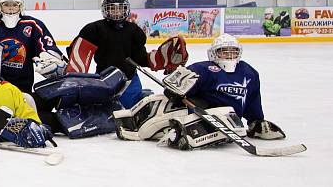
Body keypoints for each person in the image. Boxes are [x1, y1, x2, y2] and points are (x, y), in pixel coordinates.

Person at [115, 34, 288, 150]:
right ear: (213, 54)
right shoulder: (204, 68)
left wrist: (255, 120)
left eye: (232, 52)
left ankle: (181, 135)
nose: (228, 56)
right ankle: (130, 122)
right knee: (159, 102)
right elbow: (173, 86)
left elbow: (252, 100)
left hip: (228, 119)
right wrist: (175, 91)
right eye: (223, 51)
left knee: (228, 117)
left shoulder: (249, 73)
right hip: (197, 112)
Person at [65, 0, 188, 109]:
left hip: (130, 81)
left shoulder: (134, 30)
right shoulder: (94, 29)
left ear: (126, 10)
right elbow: (78, 54)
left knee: (131, 113)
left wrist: (159, 59)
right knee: (105, 113)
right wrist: (75, 77)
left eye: (120, 9)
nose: (116, 12)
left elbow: (140, 57)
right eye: (112, 9)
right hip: (103, 80)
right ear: (106, 10)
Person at [0, 0, 65, 94]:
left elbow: (45, 44)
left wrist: (47, 55)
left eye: (14, 5)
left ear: (20, 6)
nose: (10, 8)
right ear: (0, 7)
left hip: (23, 82)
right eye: (6, 5)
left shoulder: (32, 24)